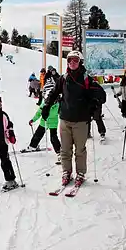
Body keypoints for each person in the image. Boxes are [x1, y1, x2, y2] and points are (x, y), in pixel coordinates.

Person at [41, 50, 106, 186]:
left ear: (80, 62)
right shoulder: (64, 78)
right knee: (65, 149)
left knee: (80, 150)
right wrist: (46, 106)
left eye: (75, 60)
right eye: (70, 60)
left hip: (81, 121)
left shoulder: (86, 78)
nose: (72, 63)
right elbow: (53, 93)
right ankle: (66, 172)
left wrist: (94, 103)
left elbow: (102, 95)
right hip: (65, 119)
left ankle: (80, 173)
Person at [24, 77, 61, 164]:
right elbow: (39, 112)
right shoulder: (44, 103)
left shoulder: (58, 104)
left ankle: (60, 153)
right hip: (43, 121)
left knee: (53, 138)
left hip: (53, 123)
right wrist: (33, 120)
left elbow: (60, 113)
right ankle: (32, 146)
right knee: (38, 134)